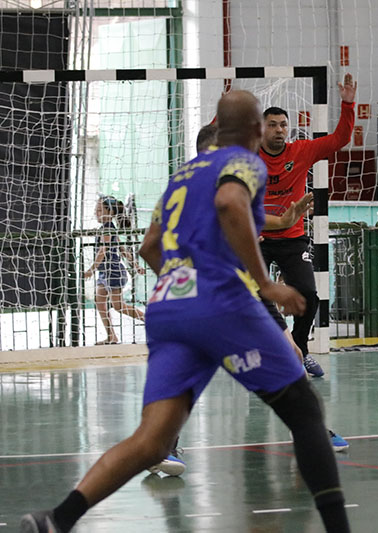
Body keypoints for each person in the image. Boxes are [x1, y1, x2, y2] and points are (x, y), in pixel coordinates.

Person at [20, 90, 350, 533]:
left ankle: (56, 519)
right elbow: (230, 202)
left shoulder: (183, 176)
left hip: (169, 306)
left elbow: (149, 246)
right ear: (256, 130)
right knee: (305, 411)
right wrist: (266, 281)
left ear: (216, 124)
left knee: (151, 441)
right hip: (221, 299)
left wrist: (184, 288)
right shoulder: (244, 161)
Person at [146, 123, 347, 480]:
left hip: (234, 292)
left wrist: (284, 219)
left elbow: (150, 247)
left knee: (292, 354)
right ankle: (163, 445)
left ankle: (310, 431)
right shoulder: (213, 185)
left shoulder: (193, 184)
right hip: (219, 295)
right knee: (188, 372)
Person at [258, 73, 357, 378]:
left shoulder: (300, 151)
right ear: (261, 128)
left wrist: (348, 104)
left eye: (283, 125)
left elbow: (339, 139)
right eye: (272, 125)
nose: (279, 130)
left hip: (292, 238)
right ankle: (268, 352)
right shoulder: (246, 156)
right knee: (255, 297)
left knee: (309, 296)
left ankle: (299, 350)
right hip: (256, 239)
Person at [83, 195, 146, 345]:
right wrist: (135, 265)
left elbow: (103, 251)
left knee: (118, 306)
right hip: (104, 273)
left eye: (100, 210)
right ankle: (111, 336)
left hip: (113, 272)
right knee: (100, 301)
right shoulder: (106, 228)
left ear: (110, 212)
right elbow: (122, 249)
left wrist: (91, 269)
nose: (96, 213)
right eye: (96, 209)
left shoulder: (108, 229)